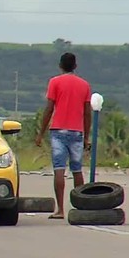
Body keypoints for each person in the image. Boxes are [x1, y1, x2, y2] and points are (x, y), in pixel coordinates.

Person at [35, 52, 92, 219]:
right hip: (77, 132)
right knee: (77, 170)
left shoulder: (55, 82)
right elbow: (87, 113)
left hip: (58, 131)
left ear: (60, 65)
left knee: (59, 169)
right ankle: (80, 206)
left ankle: (60, 209)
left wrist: (40, 133)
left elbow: (49, 109)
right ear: (75, 66)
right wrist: (86, 137)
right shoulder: (84, 85)